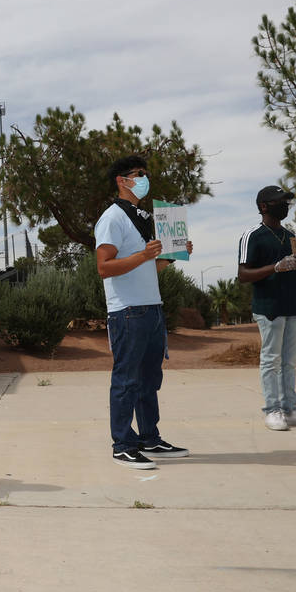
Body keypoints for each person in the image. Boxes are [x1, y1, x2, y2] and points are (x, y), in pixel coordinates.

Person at [95, 155, 193, 470]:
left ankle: (150, 438)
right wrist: (143, 255)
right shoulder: (113, 218)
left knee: (149, 379)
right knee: (126, 380)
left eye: (145, 173)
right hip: (127, 312)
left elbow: (150, 267)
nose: (144, 178)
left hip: (151, 309)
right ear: (122, 181)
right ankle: (123, 445)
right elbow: (104, 267)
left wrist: (175, 255)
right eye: (138, 174)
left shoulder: (142, 218)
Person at [237, 185, 296, 431]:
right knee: (271, 360)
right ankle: (272, 410)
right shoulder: (253, 235)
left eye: (287, 202)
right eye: (280, 202)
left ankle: (290, 409)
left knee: (289, 361)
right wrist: (274, 267)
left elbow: (294, 272)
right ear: (263, 206)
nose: (285, 206)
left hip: (293, 307)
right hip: (269, 308)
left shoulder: (291, 236)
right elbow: (243, 275)